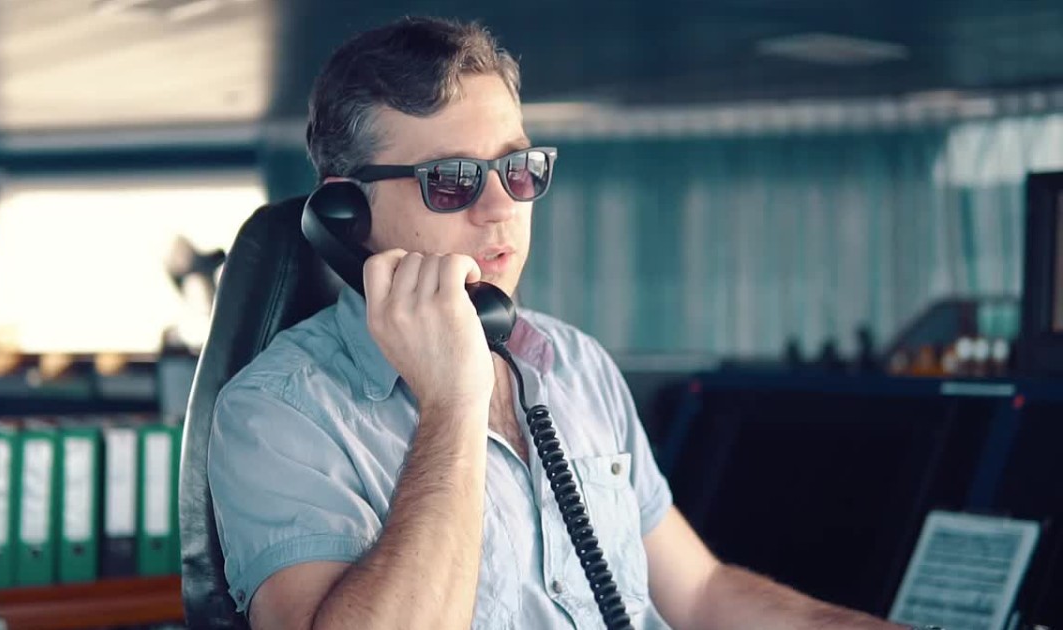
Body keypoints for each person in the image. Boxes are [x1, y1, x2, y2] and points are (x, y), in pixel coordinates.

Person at [208, 16, 917, 630]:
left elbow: (700, 594)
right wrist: (453, 400)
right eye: (452, 180)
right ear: (346, 216)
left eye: (516, 168)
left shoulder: (573, 364)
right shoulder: (276, 413)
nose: (499, 207)